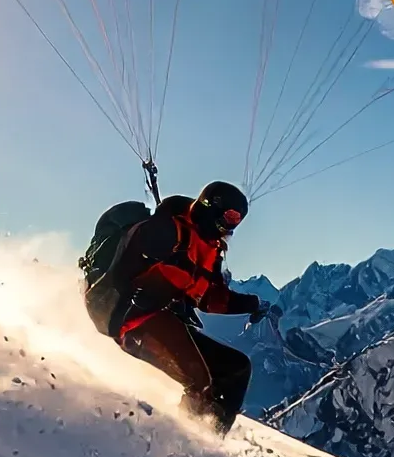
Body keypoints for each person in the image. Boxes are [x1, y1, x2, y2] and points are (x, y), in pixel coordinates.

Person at [106, 180, 276, 432]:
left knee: (237, 368)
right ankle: (183, 446)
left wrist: (253, 303)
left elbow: (210, 298)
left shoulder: (209, 249)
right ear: (212, 206)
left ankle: (211, 440)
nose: (232, 225)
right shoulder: (167, 230)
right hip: (134, 319)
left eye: (238, 220)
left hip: (165, 320)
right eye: (231, 216)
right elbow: (124, 267)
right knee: (199, 380)